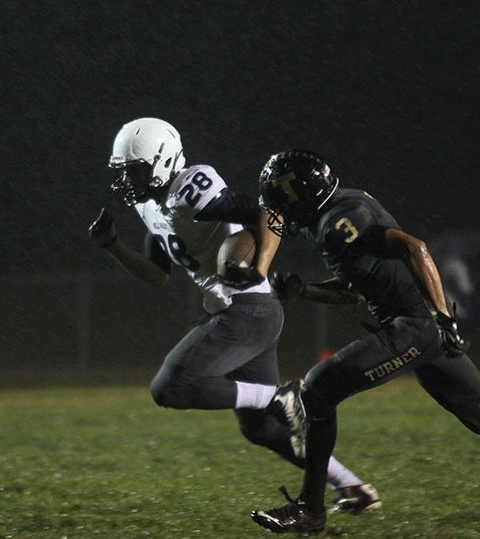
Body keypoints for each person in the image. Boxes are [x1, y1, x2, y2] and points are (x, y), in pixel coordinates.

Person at [248, 149, 480, 533]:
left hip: (414, 325)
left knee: (317, 389)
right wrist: (304, 290)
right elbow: (354, 290)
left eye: (281, 199)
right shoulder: (336, 211)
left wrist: (440, 316)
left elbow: (415, 248)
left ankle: (311, 510)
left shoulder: (338, 221)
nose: (277, 211)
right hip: (414, 324)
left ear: (301, 194)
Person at [88, 119, 379, 512]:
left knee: (170, 387)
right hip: (247, 314)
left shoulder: (192, 186)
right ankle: (354, 487)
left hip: (246, 309)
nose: (127, 180)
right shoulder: (149, 206)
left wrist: (258, 266)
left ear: (160, 161)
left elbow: (268, 212)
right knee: (260, 429)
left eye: (134, 170)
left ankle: (281, 397)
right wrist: (112, 246)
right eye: (123, 172)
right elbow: (158, 274)